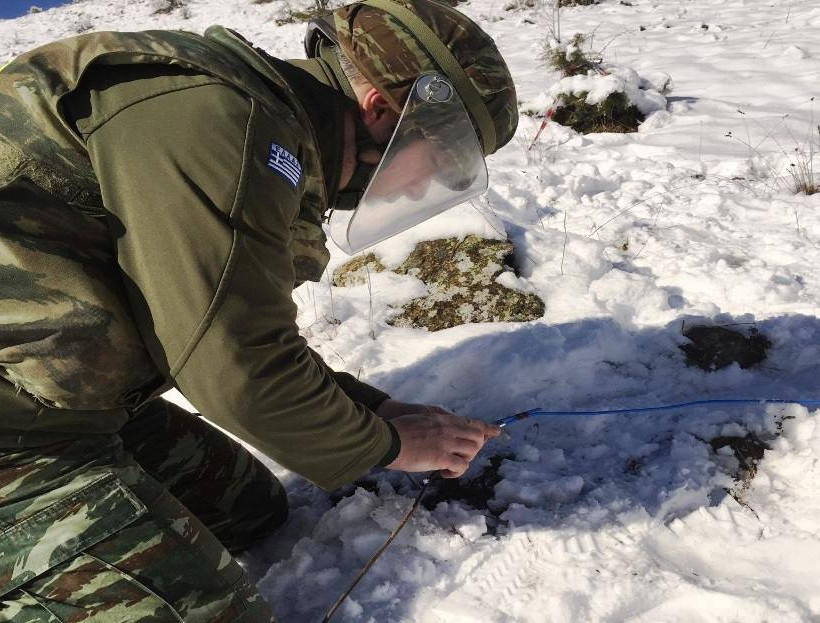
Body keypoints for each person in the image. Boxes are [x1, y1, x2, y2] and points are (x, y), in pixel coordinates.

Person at [0, 0, 518, 619]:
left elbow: (231, 324)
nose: (418, 188)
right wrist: (387, 445)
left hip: (73, 401)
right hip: (17, 430)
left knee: (248, 509)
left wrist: (374, 410)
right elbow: (232, 370)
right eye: (441, 161)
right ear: (382, 108)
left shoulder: (269, 133)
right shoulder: (219, 122)